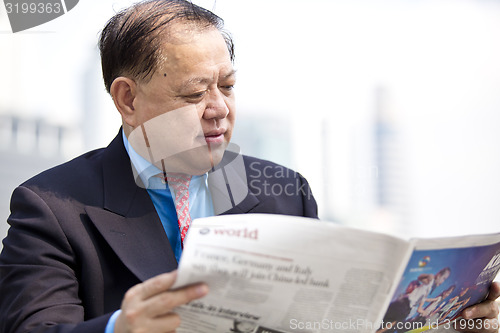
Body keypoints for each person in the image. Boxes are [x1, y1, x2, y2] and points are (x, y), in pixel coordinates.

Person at [0, 1, 497, 333]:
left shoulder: (284, 191)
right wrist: (119, 328)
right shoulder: (51, 208)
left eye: (228, 86)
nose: (219, 108)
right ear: (127, 99)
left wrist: (454, 321)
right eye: (195, 92)